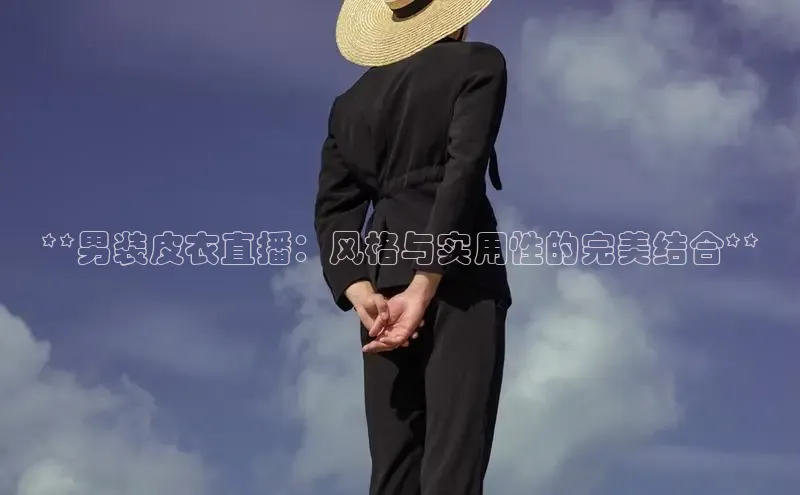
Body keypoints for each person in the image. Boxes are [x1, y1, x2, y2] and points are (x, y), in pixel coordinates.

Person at [313, 0, 511, 493]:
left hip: (382, 294)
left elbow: (334, 210)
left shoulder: (349, 105)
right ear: (455, 17)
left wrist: (358, 288)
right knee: (454, 465)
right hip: (461, 274)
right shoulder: (479, 64)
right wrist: (425, 284)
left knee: (393, 468)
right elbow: (462, 172)